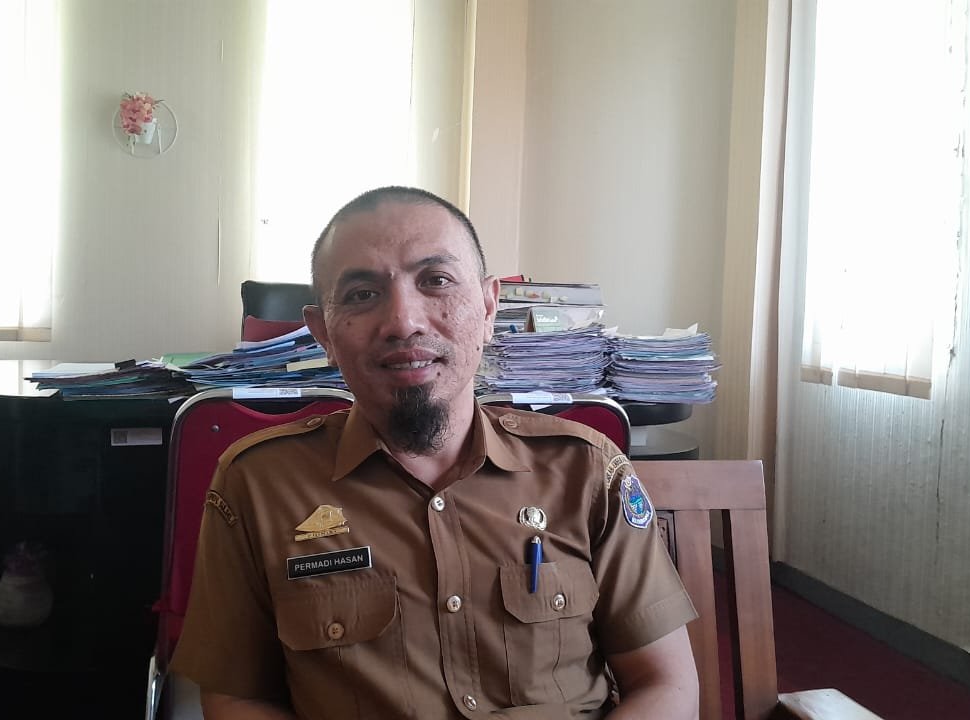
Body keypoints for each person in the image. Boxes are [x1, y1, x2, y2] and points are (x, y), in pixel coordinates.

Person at [171, 186, 700, 719]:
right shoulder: (258, 484)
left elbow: (666, 684)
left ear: (488, 307)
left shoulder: (585, 469)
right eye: (362, 293)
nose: (404, 321)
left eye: (436, 280)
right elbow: (238, 697)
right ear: (323, 333)